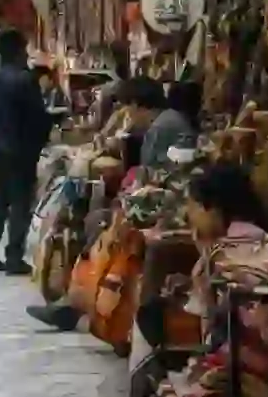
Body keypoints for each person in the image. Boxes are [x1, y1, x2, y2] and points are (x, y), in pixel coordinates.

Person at [24, 76, 187, 331]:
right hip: (163, 199)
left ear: (137, 104)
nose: (128, 115)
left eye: (128, 108)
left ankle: (79, 305)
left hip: (166, 205)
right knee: (97, 222)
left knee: (101, 225)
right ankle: (78, 303)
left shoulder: (161, 127)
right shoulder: (168, 122)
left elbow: (155, 175)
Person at [0, 30, 51, 275]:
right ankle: (13, 257)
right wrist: (43, 139)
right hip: (21, 150)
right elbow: (37, 117)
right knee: (20, 203)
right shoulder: (24, 79)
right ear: (20, 50)